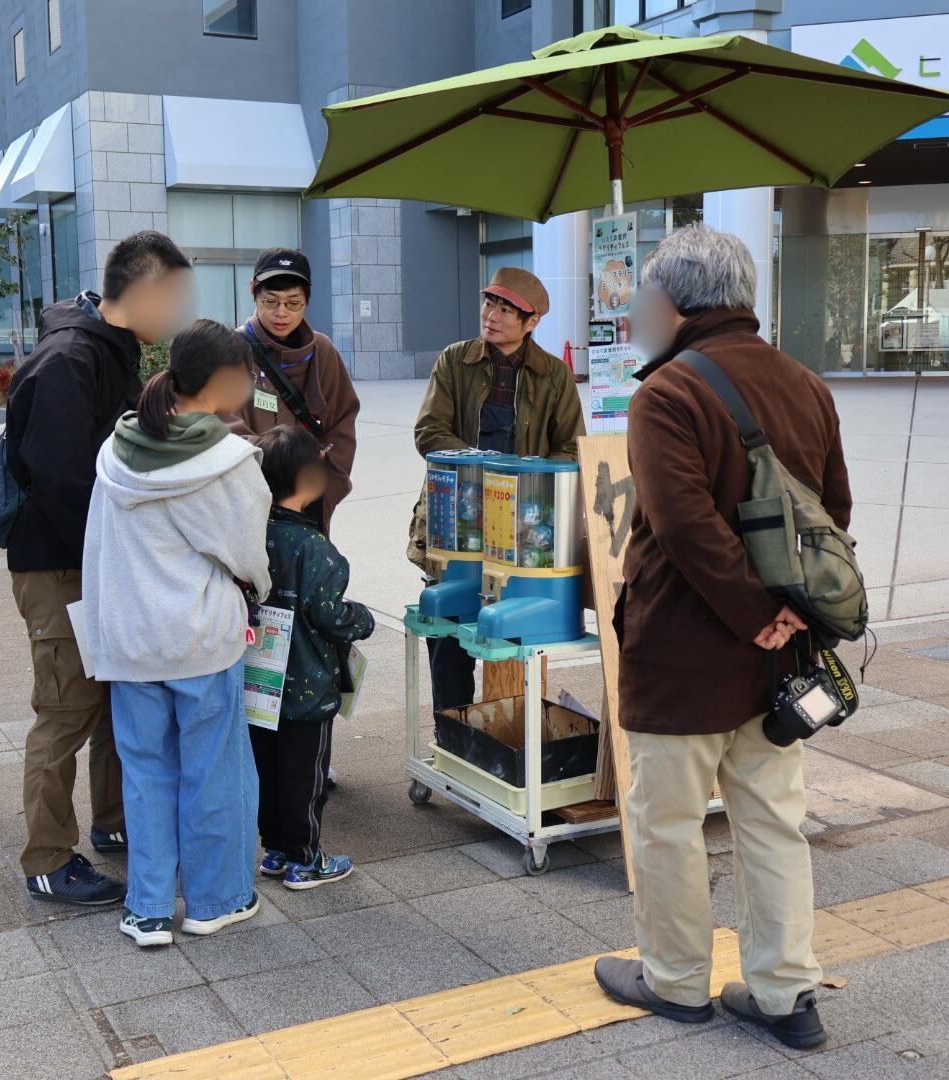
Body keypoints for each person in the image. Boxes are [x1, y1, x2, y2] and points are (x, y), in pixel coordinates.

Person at [592, 226, 851, 1050]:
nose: (635, 312)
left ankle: (673, 979)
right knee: (773, 820)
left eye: (641, 298)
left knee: (666, 820)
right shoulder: (806, 384)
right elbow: (833, 514)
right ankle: (783, 991)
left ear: (673, 302)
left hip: (684, 653)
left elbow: (681, 526)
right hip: (783, 658)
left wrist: (748, 610)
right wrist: (785, 617)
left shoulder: (667, 394)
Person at [5, 230, 194, 906]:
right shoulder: (69, 360)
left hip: (98, 562)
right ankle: (49, 859)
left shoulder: (108, 351)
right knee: (65, 712)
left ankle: (118, 825)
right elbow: (61, 482)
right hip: (61, 566)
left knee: (117, 703)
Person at [80, 319, 271, 947]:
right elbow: (248, 556)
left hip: (131, 640)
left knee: (144, 770)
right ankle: (216, 901)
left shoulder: (114, 451)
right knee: (212, 769)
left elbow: (99, 548)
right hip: (199, 638)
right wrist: (258, 592)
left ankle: (150, 907)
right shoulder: (228, 462)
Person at [409, 267, 584, 711]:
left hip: (522, 527)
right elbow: (429, 432)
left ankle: (510, 739)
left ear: (532, 322)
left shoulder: (554, 376)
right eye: (490, 303)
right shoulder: (454, 360)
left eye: (508, 309)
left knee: (515, 637)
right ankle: (450, 734)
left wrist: (526, 484)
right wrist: (485, 472)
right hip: (458, 519)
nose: (493, 315)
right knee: (448, 630)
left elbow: (571, 450)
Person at [251, 424, 375, 890]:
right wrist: (361, 618)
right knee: (307, 773)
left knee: (267, 768)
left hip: (260, 681)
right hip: (306, 686)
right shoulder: (315, 549)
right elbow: (330, 615)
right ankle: (307, 858)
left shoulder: (253, 535)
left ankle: (276, 850)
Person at [224, 248, 359, 534]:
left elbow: (342, 424)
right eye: (270, 301)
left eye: (293, 303)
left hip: (309, 504)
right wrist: (277, 465)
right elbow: (222, 424)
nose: (281, 313)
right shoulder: (231, 351)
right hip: (250, 505)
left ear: (307, 300)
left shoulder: (323, 352)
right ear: (253, 291)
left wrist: (324, 490)